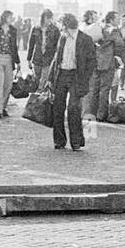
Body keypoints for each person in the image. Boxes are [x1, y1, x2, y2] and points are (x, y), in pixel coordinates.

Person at [47, 12, 96, 150]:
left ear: (66, 25)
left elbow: (92, 61)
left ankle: (76, 141)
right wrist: (50, 78)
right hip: (61, 74)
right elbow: (56, 59)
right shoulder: (62, 38)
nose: (60, 28)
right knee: (58, 108)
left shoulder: (85, 39)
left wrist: (85, 78)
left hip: (76, 76)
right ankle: (59, 141)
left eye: (61, 25)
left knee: (73, 109)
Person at [27, 10, 59, 83]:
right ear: (42, 18)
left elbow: (58, 45)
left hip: (49, 59)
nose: (49, 20)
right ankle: (38, 93)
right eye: (47, 18)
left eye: (50, 18)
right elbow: (31, 44)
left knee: (44, 80)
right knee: (37, 79)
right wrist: (29, 59)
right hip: (37, 58)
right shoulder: (36, 28)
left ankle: (40, 92)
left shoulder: (55, 30)